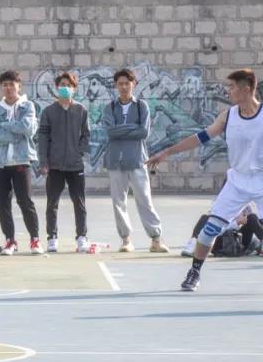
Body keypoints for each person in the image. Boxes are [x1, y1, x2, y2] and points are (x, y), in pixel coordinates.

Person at [148, 69, 263, 291]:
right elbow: (199, 138)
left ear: (247, 88)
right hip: (237, 182)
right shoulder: (228, 117)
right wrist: (167, 152)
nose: (228, 91)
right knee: (209, 230)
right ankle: (194, 272)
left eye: (232, 87)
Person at [100, 68, 169, 253]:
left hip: (137, 159)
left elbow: (143, 132)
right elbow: (110, 132)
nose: (124, 87)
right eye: (120, 84)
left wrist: (121, 129)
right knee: (118, 202)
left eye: (127, 83)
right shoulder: (110, 108)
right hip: (115, 160)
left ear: (134, 84)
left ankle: (156, 238)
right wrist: (132, 128)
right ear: (116, 86)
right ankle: (126, 239)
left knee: (144, 200)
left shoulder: (141, 106)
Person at [0, 70, 42, 255]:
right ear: (1, 87)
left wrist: (5, 125)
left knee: (25, 200)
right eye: (5, 85)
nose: (9, 88)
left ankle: (35, 239)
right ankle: (10, 240)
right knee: (2, 203)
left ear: (19, 86)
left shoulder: (28, 106)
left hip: (21, 160)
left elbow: (27, 128)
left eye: (12, 84)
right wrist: (16, 132)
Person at [37, 71, 91, 253]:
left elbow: (86, 135)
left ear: (74, 89)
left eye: (69, 85)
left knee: (79, 203)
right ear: (56, 88)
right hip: (55, 166)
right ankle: (52, 237)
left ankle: (82, 237)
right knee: (52, 203)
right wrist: (43, 161)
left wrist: (79, 152)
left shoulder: (81, 110)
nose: (65, 88)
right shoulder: (49, 111)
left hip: (75, 166)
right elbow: (43, 137)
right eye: (62, 85)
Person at [181, 203, 262, 257]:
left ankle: (259, 244)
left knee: (252, 217)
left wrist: (241, 223)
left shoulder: (245, 206)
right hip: (223, 243)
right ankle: (192, 245)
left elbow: (250, 227)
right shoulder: (219, 206)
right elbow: (216, 228)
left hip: (239, 242)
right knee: (205, 218)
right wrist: (236, 223)